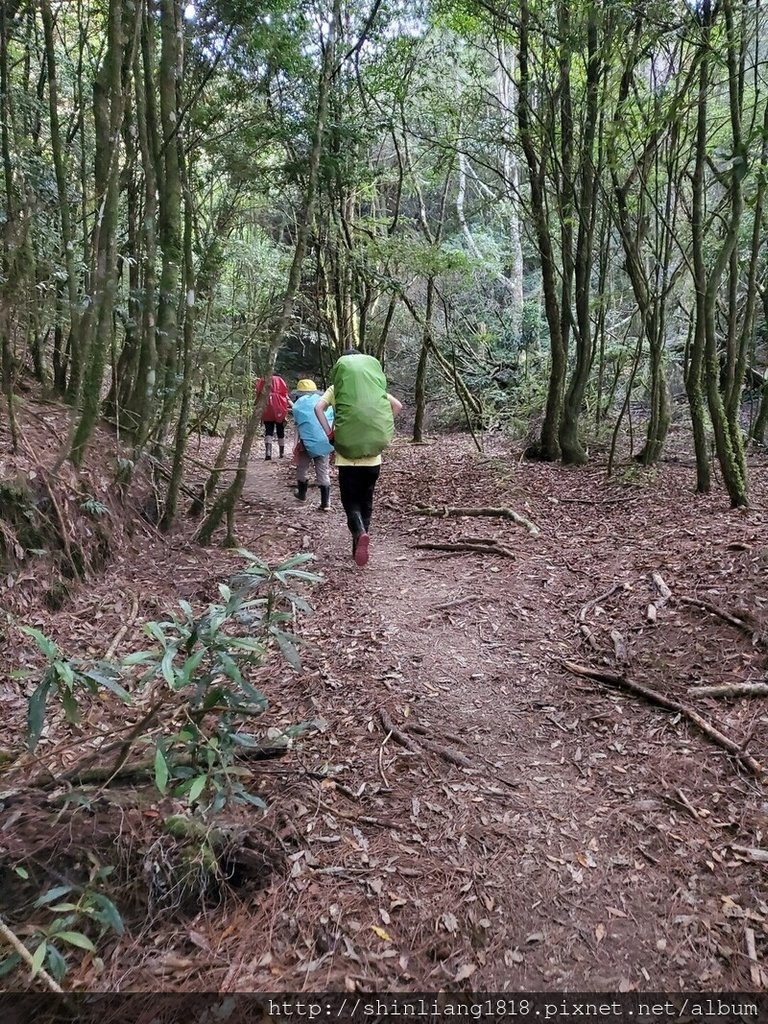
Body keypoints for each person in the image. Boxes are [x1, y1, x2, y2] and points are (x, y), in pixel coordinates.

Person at [314, 349, 402, 566]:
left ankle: (359, 533)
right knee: (367, 501)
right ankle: (360, 545)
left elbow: (318, 408)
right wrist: (382, 427)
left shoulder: (337, 388)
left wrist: (329, 433)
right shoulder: (375, 388)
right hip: (373, 457)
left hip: (346, 456)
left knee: (350, 501)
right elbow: (397, 406)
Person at [291, 379, 333, 512]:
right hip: (324, 443)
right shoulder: (323, 402)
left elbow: (298, 427)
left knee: (302, 469)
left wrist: (295, 444)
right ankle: (325, 503)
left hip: (305, 444)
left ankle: (302, 495)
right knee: (322, 471)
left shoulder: (297, 406)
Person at [255, 374, 290, 460]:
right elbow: (285, 392)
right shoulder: (280, 380)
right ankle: (281, 453)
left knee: (268, 428)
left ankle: (268, 452)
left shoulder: (264, 379)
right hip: (279, 404)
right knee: (280, 428)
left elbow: (258, 392)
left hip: (267, 405)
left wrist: (257, 404)